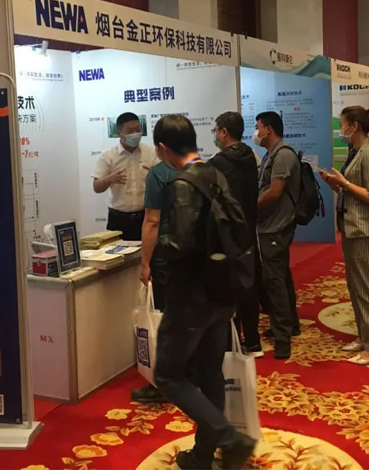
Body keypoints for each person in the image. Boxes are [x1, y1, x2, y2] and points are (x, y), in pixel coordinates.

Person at [152, 115, 256, 470]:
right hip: (222, 289)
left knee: (168, 374)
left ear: (163, 148)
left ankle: (228, 438)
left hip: (190, 296)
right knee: (210, 372)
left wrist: (158, 245)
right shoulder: (215, 173)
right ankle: (202, 456)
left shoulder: (181, 184)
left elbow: (179, 244)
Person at [320, 106, 369, 365]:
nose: (341, 129)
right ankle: (366, 337)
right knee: (356, 285)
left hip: (363, 228)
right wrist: (337, 184)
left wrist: (345, 184)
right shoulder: (357, 151)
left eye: (343, 124)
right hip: (352, 225)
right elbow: (353, 191)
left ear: (355, 126)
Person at [209, 112, 262, 358]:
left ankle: (232, 343)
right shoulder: (251, 156)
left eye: (215, 130)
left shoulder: (218, 163)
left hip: (227, 233)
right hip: (248, 229)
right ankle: (253, 341)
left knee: (229, 288)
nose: (215, 135)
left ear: (224, 132)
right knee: (249, 286)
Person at [130, 158, 179, 404]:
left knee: (164, 322)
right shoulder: (200, 168)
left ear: (162, 147)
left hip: (165, 257)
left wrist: (145, 263)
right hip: (192, 256)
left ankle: (164, 384)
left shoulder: (159, 175)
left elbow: (152, 221)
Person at [255, 111, 300, 360]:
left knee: (273, 280)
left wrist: (251, 208)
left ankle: (283, 338)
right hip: (271, 224)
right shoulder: (271, 154)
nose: (256, 132)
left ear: (268, 130)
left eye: (258, 127)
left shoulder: (283, 155)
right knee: (281, 275)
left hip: (276, 225)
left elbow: (274, 192)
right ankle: (291, 324)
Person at [92, 112, 157, 241]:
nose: (135, 134)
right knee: (115, 253)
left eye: (138, 129)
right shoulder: (108, 155)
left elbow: (165, 181)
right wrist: (110, 179)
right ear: (119, 133)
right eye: (130, 131)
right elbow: (96, 187)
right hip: (118, 219)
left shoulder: (151, 152)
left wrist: (156, 175)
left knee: (147, 252)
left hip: (145, 217)